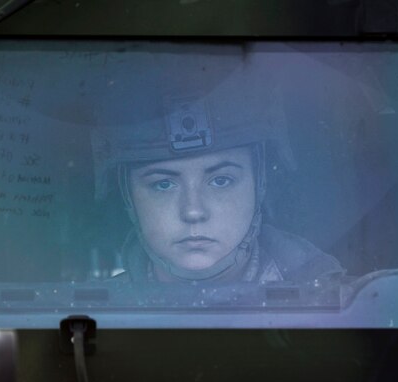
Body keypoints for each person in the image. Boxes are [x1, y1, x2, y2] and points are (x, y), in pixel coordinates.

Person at [91, 61, 343, 284]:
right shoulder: (95, 318)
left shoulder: (339, 308)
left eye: (221, 180)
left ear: (259, 184)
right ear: (129, 197)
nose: (193, 211)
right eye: (163, 184)